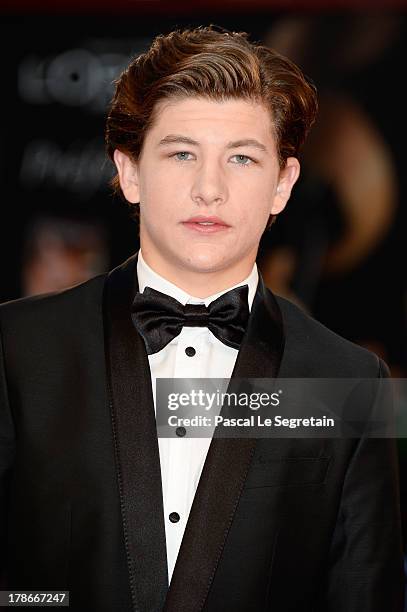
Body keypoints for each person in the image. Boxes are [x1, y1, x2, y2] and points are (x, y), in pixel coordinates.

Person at [0, 26, 403, 611]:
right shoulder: (15, 349)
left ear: (282, 185)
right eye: (182, 153)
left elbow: (364, 594)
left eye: (241, 158)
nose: (208, 189)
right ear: (131, 171)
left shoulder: (349, 380)